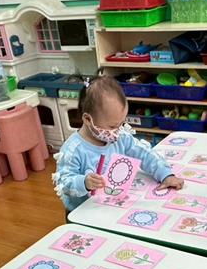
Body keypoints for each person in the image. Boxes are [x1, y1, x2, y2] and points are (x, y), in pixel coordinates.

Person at [53, 76, 182, 212]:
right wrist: (84, 183)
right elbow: (63, 183)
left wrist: (165, 174)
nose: (117, 131)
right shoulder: (72, 150)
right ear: (88, 119)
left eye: (121, 123)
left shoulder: (121, 136)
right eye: (112, 126)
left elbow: (144, 154)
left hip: (112, 206)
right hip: (82, 212)